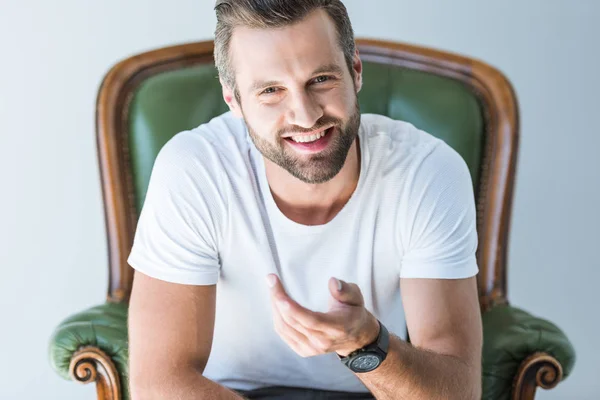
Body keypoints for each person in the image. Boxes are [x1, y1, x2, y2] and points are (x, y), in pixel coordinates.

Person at [127, 1, 483, 399]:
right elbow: (160, 383)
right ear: (233, 100)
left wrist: (364, 342)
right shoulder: (194, 169)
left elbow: (457, 392)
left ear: (355, 71)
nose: (305, 115)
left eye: (321, 80)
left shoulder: (427, 172)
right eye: (271, 91)